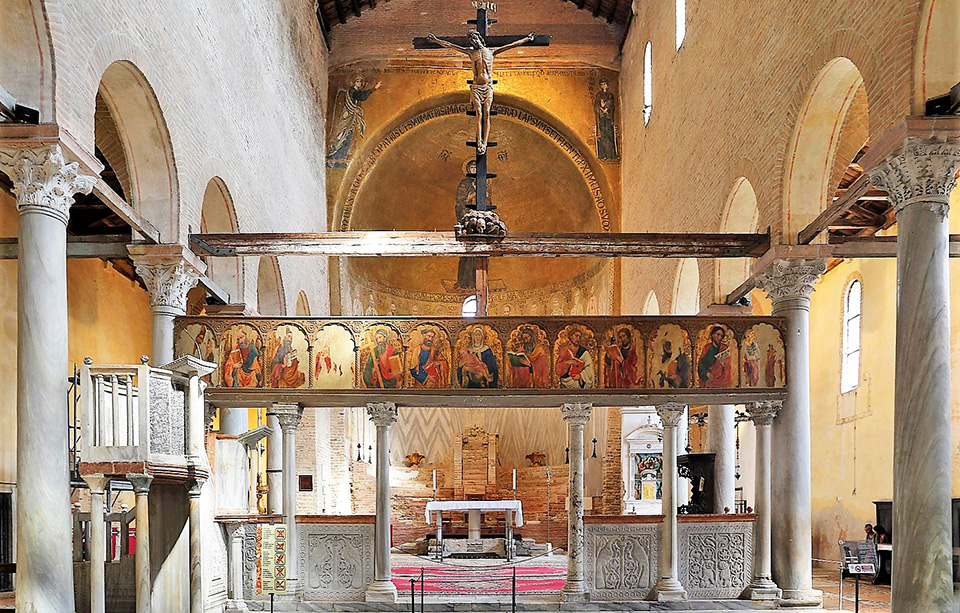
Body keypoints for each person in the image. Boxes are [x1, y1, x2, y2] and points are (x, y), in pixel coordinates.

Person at [427, 30, 535, 154]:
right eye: (471, 40)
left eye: (474, 39)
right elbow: (452, 46)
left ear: (479, 38)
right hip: (477, 87)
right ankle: (479, 142)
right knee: (479, 113)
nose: (473, 42)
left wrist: (527, 39)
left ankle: (485, 143)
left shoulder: (491, 51)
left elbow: (511, 45)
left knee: (487, 113)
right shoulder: (471, 52)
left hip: (487, 87)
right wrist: (436, 40)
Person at [326, 74, 382, 166]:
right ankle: (335, 156)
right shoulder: (352, 91)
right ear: (354, 82)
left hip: (352, 117)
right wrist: (374, 88)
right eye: (357, 81)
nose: (359, 83)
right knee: (342, 134)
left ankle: (342, 157)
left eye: (360, 82)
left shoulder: (356, 92)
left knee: (350, 136)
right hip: (347, 116)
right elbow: (361, 96)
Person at [594, 78, 618, 160]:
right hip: (602, 117)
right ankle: (604, 154)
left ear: (607, 85)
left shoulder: (610, 95)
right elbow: (597, 105)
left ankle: (611, 155)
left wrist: (606, 109)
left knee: (609, 134)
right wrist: (601, 109)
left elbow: (611, 104)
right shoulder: (599, 95)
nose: (603, 86)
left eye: (604, 84)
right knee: (603, 135)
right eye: (602, 84)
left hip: (608, 117)